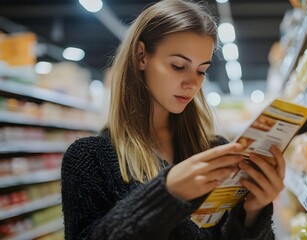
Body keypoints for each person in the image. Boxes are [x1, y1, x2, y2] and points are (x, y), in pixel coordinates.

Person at [61, 0, 285, 239]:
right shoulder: (89, 158)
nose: (193, 83)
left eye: (201, 70)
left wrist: (253, 213)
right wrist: (166, 194)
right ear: (141, 56)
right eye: (178, 66)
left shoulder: (215, 149)